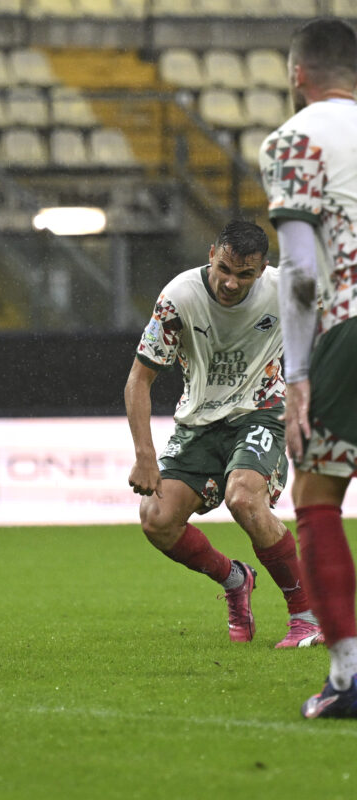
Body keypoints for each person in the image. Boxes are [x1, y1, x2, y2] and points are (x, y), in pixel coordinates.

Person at [125, 219, 323, 648]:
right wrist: (144, 455)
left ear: (264, 268)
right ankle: (236, 580)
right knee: (155, 520)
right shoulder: (178, 298)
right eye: (225, 269)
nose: (232, 283)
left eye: (245, 274)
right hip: (199, 423)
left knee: (244, 497)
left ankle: (307, 616)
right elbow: (139, 380)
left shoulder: (287, 288)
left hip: (263, 411)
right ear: (212, 254)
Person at [259, 17, 357, 718]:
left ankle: (348, 675)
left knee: (317, 497)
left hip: (348, 324)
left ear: (298, 75)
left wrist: (297, 378)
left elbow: (297, 272)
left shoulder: (294, 137)